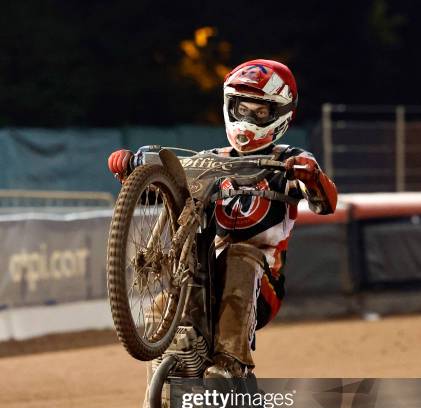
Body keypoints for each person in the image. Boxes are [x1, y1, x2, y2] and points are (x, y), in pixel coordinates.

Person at [108, 59, 337, 380]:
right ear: (230, 106)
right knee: (159, 311)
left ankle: (230, 362)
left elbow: (326, 204)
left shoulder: (289, 159)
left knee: (240, 255)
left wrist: (311, 177)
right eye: (243, 109)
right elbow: (154, 193)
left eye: (260, 113)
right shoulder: (209, 159)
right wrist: (131, 170)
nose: (249, 118)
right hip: (200, 272)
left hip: (261, 282)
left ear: (281, 115)